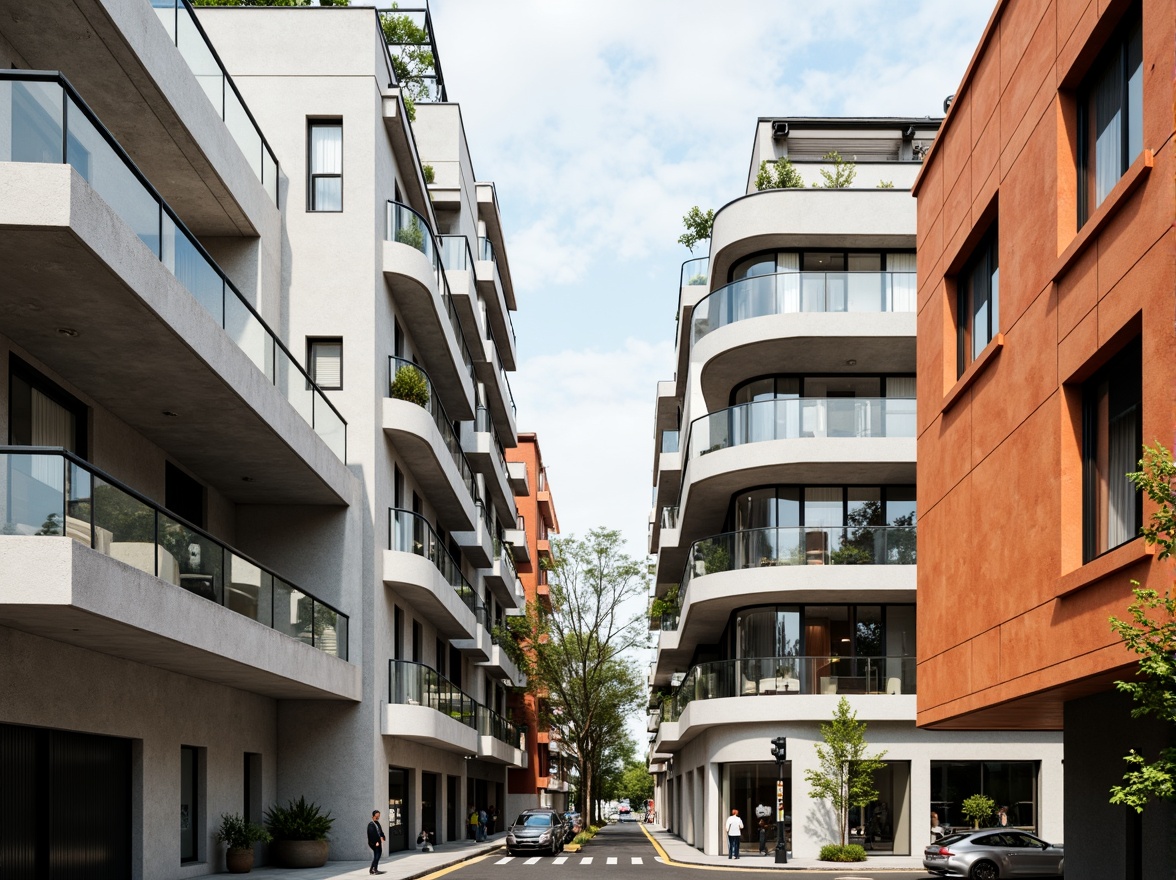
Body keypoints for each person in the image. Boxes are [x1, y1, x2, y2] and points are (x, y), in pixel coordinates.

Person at [367, 810, 386, 875]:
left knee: (377, 855)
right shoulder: (371, 824)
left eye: (378, 816)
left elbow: (380, 831)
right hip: (374, 843)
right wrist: (376, 842)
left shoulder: (377, 823)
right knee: (377, 855)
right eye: (376, 816)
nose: (378, 817)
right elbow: (371, 835)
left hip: (378, 842)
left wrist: (383, 836)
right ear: (373, 816)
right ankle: (374, 869)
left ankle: (372, 869)